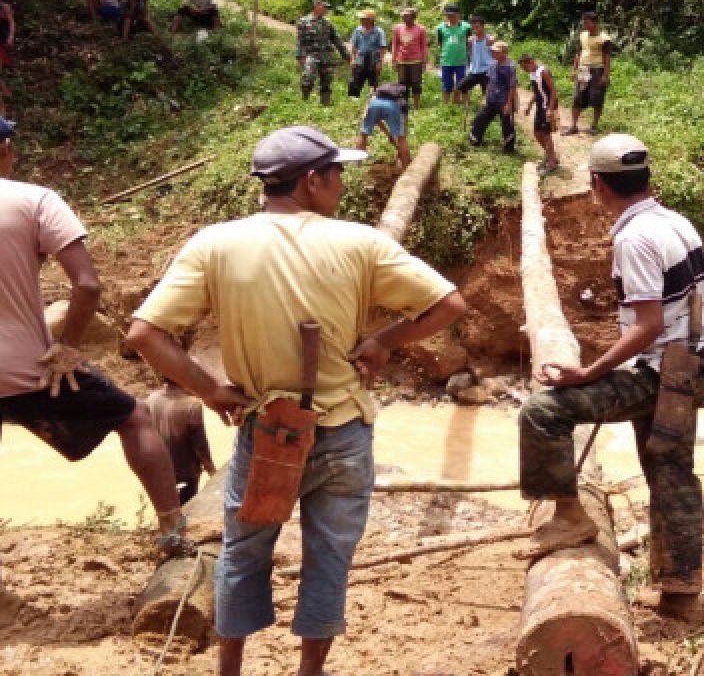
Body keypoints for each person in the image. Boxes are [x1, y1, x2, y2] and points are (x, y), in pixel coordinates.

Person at [127, 125, 466, 676]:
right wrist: (383, 341)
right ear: (312, 181)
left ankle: (231, 669)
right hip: (342, 433)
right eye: (337, 175)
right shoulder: (360, 242)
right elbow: (449, 303)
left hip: (265, 434)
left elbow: (145, 334)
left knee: (243, 554)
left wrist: (212, 390)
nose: (341, 186)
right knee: (328, 560)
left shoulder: (215, 243)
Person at [519, 133, 704, 607]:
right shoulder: (676, 222)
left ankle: (570, 515)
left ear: (598, 184)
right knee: (671, 472)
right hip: (690, 365)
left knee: (542, 414)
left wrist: (590, 372)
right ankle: (680, 594)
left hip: (658, 371)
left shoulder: (633, 238)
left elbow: (647, 324)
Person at [0, 117, 186, 556]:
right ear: (6, 149)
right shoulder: (35, 200)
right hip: (28, 369)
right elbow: (86, 285)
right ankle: (172, 532)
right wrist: (67, 347)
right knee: (133, 417)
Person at [146, 330, 217, 505]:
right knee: (186, 509)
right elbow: (200, 446)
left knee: (168, 508)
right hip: (186, 471)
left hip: (160, 469)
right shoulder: (191, 405)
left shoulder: (152, 398)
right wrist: (213, 473)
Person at [564, 11, 613, 136]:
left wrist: (605, 75)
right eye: (584, 22)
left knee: (597, 99)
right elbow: (578, 53)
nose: (585, 25)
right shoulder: (582, 35)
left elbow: (607, 58)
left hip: (597, 70)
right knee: (577, 97)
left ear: (595, 23)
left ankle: (594, 126)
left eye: (587, 22)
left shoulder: (604, 39)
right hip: (583, 69)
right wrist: (574, 69)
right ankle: (574, 125)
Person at [295, 0, 349, 106]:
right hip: (311, 55)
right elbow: (300, 41)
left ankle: (325, 104)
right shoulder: (304, 22)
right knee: (308, 77)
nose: (326, 9)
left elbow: (337, 40)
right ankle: (304, 101)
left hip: (326, 56)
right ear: (316, 6)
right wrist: (300, 56)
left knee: (327, 81)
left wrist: (346, 55)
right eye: (324, 7)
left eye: (327, 7)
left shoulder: (328, 23)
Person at [467, 40, 517, 152]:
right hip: (491, 99)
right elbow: (489, 82)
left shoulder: (510, 67)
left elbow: (512, 86)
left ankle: (509, 148)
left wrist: (509, 103)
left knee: (507, 124)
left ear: (504, 52)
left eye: (496, 52)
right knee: (480, 118)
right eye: (493, 52)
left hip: (504, 100)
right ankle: (475, 140)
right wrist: (485, 97)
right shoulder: (493, 64)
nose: (494, 54)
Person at [519, 53, 560, 171]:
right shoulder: (533, 73)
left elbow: (553, 91)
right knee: (537, 133)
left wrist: (551, 109)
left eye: (525, 67)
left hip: (547, 106)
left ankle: (551, 163)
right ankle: (551, 156)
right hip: (540, 106)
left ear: (531, 62)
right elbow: (536, 92)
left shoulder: (544, 72)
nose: (525, 70)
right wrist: (529, 105)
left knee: (546, 134)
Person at [356, 82, 410, 168]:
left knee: (363, 134)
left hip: (373, 104)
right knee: (402, 139)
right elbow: (402, 131)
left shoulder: (374, 98)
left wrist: (389, 135)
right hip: (393, 106)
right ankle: (406, 168)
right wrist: (394, 136)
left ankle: (357, 165)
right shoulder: (402, 102)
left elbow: (376, 119)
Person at [390, 8, 427, 109]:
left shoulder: (421, 29)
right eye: (403, 15)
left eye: (407, 15)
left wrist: (424, 62)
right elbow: (395, 45)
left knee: (416, 83)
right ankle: (404, 105)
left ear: (413, 17)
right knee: (402, 84)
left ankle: (416, 105)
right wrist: (394, 60)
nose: (404, 17)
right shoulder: (397, 28)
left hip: (416, 60)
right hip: (402, 60)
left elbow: (423, 46)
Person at [434, 4, 469, 103]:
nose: (451, 17)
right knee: (446, 85)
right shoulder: (440, 28)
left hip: (461, 61)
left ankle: (457, 103)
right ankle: (446, 106)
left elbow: (469, 42)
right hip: (446, 61)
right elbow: (439, 43)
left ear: (459, 15)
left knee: (461, 84)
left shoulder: (466, 27)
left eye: (453, 15)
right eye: (448, 15)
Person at [347, 9, 387, 99]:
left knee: (373, 81)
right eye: (361, 19)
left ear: (370, 20)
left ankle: (372, 100)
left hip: (373, 59)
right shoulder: (358, 30)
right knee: (356, 80)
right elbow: (353, 46)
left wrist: (380, 62)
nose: (361, 20)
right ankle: (353, 99)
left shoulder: (379, 31)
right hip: (360, 58)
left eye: (363, 19)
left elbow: (382, 48)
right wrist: (353, 59)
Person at [455, 14, 494, 100]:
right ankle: (466, 109)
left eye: (477, 27)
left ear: (483, 27)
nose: (475, 30)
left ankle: (487, 110)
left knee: (487, 94)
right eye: (473, 28)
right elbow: (471, 54)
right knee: (461, 87)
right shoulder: (471, 40)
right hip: (474, 71)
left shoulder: (490, 39)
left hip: (487, 71)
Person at [0, 0, 13, 115]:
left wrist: (11, 36)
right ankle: (5, 90)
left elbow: (11, 22)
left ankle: (5, 90)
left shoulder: (4, 7)